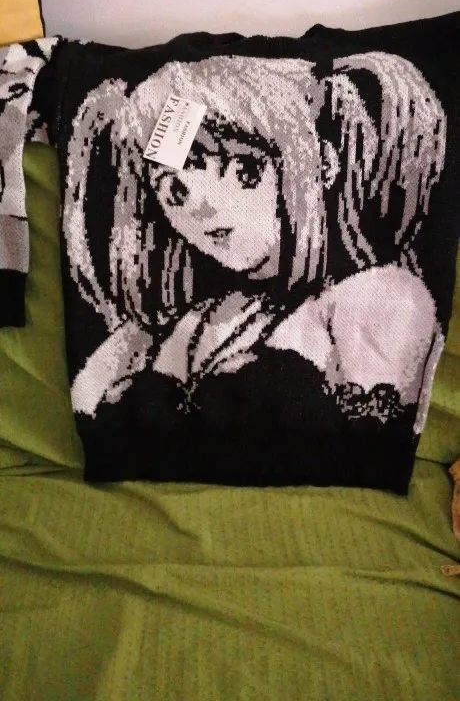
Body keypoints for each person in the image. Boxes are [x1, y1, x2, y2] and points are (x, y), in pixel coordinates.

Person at [65, 52, 446, 469]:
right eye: (175, 192)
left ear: (321, 163)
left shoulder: (377, 297)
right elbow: (90, 403)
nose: (204, 208)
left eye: (245, 170)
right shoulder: (190, 323)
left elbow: (371, 446)